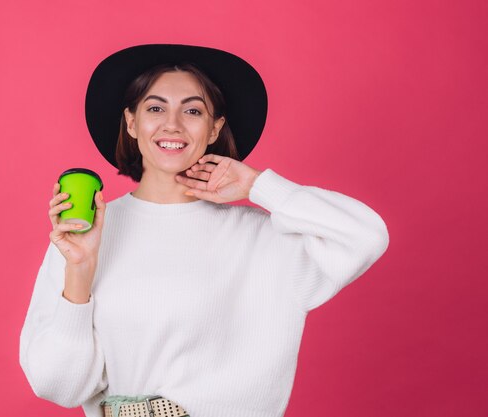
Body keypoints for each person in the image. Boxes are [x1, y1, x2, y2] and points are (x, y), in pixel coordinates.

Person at [19, 44, 389, 417]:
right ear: (131, 122)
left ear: (215, 128)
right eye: (155, 108)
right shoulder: (84, 239)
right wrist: (79, 274)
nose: (172, 124)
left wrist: (258, 186)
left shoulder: (264, 241)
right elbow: (59, 386)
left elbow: (365, 236)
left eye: (193, 110)